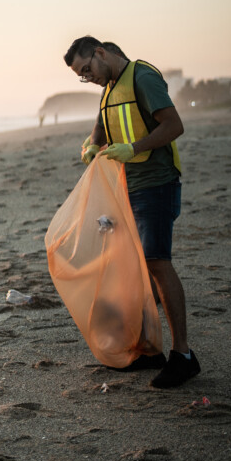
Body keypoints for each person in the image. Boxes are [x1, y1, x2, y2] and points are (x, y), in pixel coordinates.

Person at [64, 36, 199, 388]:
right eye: (81, 75)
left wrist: (133, 148)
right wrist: (92, 144)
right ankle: (149, 349)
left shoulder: (142, 78)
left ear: (101, 53)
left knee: (156, 262)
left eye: (87, 69)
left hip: (156, 183)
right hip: (128, 187)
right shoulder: (109, 88)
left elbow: (174, 126)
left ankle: (183, 356)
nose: (87, 77)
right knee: (136, 267)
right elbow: (101, 125)